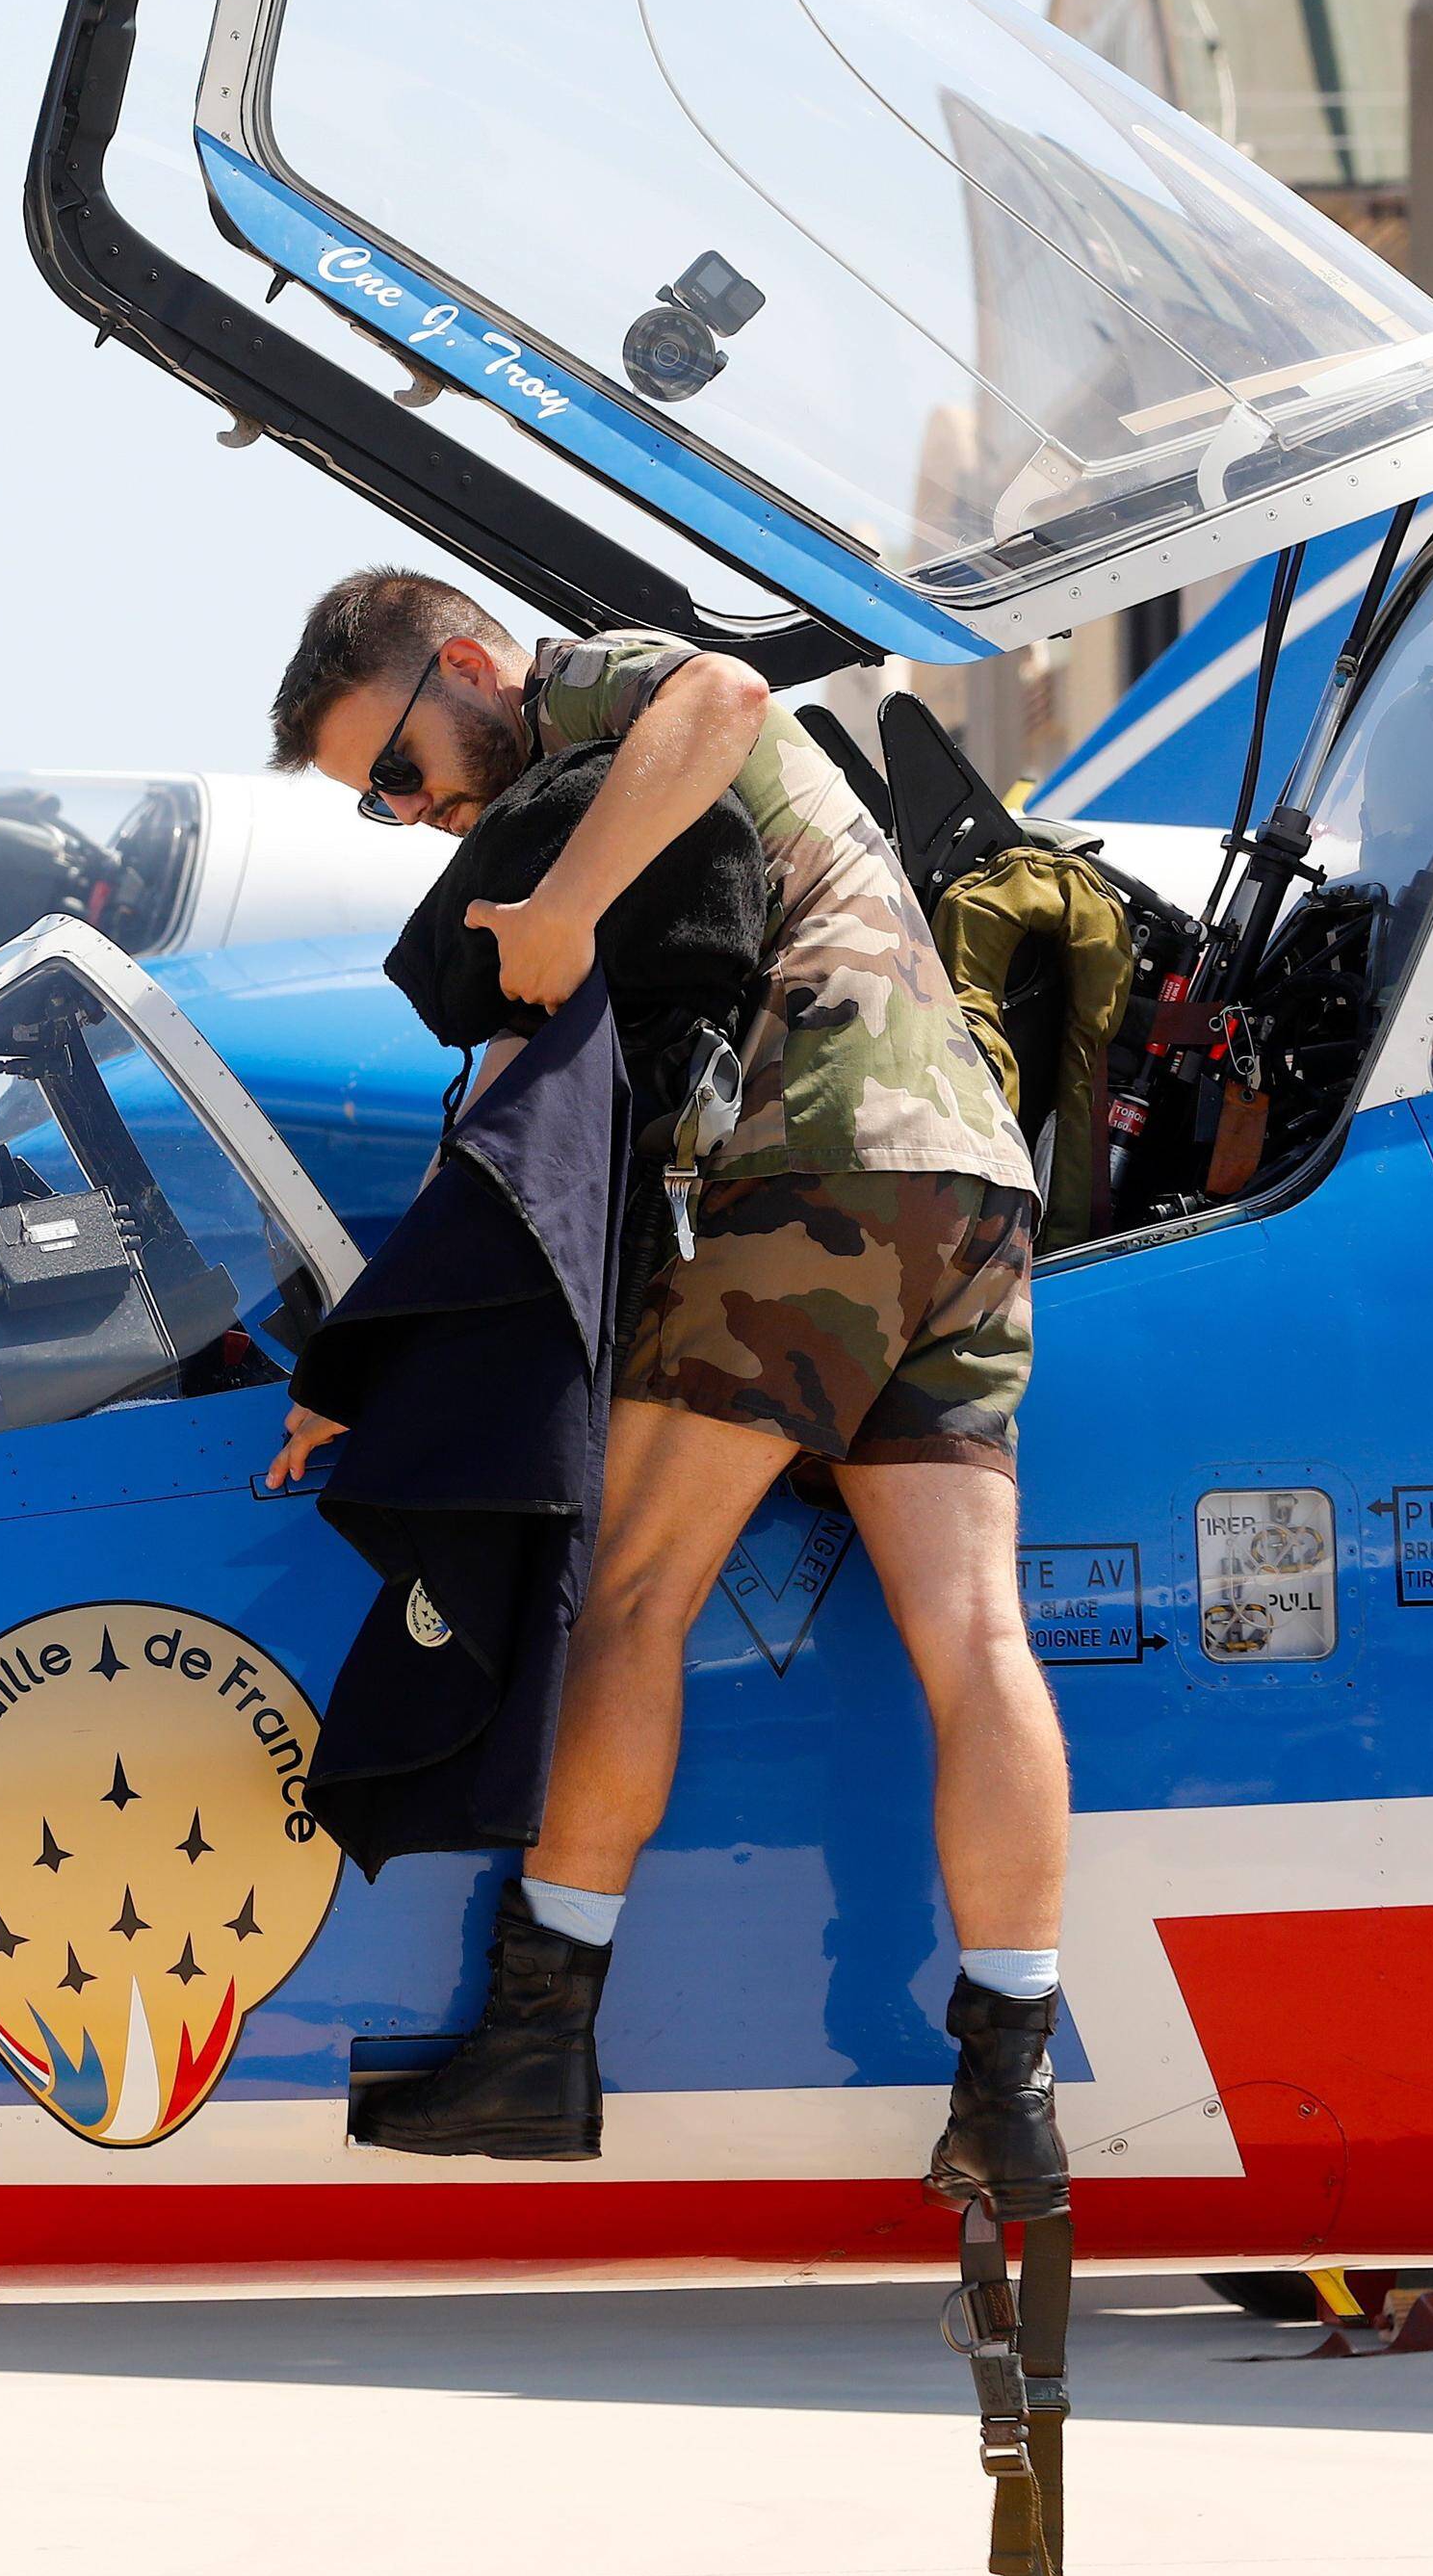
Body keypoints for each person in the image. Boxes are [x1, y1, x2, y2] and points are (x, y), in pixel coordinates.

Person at [255, 567, 1069, 2214]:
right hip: (968, 1186)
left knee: (628, 1592)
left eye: (400, 769)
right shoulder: (588, 808)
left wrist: (561, 911)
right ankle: (1013, 2087)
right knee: (978, 1634)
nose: (413, 815)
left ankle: (540, 2036)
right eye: (377, 804)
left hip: (814, 1158)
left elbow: (725, 692)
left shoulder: (590, 696)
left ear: (468, 664)